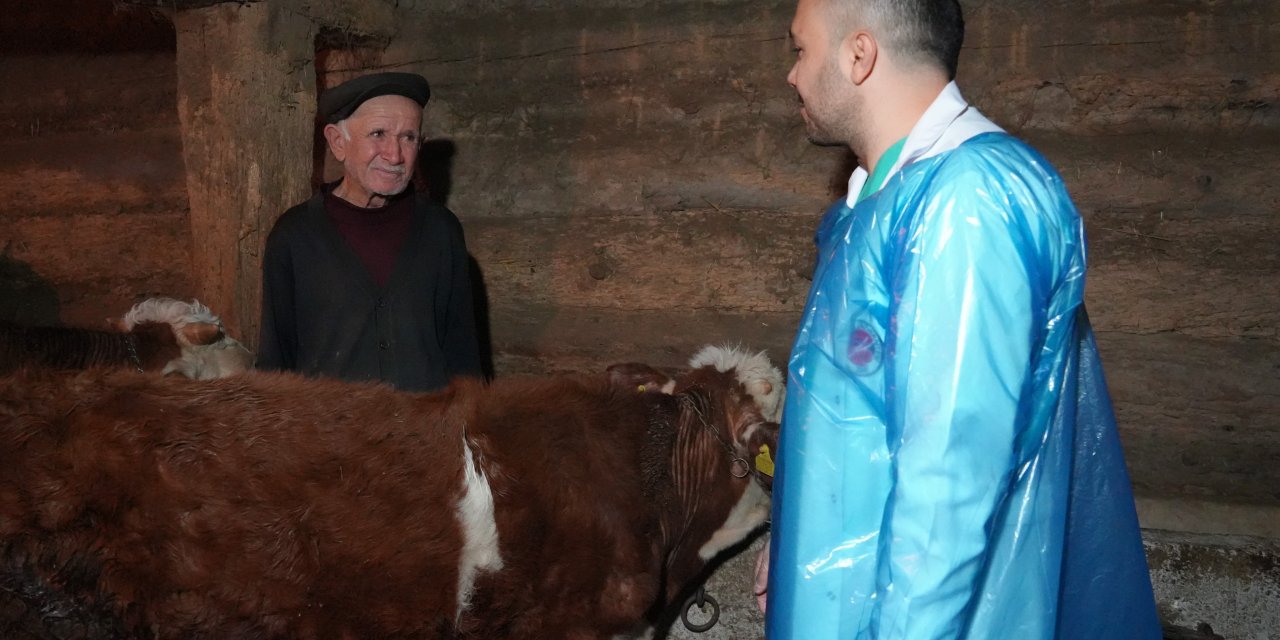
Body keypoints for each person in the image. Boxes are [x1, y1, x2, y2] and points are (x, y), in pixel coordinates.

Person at [758, 0, 1163, 638]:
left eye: (799, 51)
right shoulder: (884, 199)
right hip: (847, 591)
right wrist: (797, 536)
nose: (792, 76)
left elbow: (948, 484)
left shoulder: (968, 202)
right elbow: (854, 412)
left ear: (859, 55)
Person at [257, 71, 483, 392]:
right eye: (378, 134)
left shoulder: (440, 231)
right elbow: (275, 362)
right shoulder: (293, 236)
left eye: (408, 137)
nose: (394, 155)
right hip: (331, 435)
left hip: (425, 435)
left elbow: (464, 356)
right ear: (338, 142)